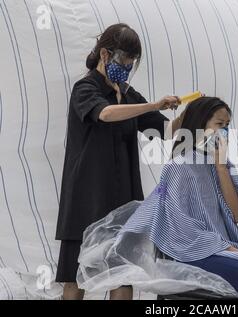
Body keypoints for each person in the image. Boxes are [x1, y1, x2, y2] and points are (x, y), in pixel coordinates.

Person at [77, 96, 238, 300]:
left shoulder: (222, 165)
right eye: (220, 124)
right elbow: (181, 229)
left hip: (220, 248)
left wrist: (221, 168)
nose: (225, 131)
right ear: (200, 125)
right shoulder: (179, 167)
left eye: (228, 125)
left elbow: (235, 215)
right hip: (193, 252)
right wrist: (221, 246)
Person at [55, 23, 184, 300]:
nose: (126, 66)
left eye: (132, 62)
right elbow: (105, 114)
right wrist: (153, 105)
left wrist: (197, 111)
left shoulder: (127, 94)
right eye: (124, 59)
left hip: (122, 201)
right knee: (74, 280)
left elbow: (165, 130)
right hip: (85, 200)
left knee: (124, 277)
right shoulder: (85, 88)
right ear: (104, 54)